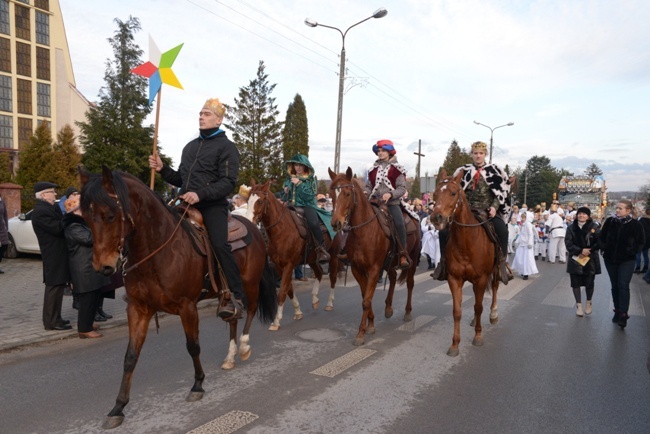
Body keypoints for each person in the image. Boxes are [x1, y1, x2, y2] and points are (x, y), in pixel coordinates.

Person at [149, 97, 244, 320]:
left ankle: (235, 295)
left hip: (212, 206)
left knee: (220, 245)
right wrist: (163, 169)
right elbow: (181, 178)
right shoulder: (189, 147)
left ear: (219, 120)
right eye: (200, 113)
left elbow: (228, 182)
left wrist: (200, 194)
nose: (201, 117)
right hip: (185, 203)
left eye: (207, 114)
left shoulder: (228, 148)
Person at [452, 141, 512, 280]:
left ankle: (501, 264)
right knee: (444, 231)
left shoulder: (495, 170)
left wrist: (494, 207)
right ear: (471, 154)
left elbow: (501, 193)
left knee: (502, 230)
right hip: (466, 210)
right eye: (475, 153)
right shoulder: (463, 171)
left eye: (481, 153)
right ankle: (443, 263)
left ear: (485, 154)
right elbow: (454, 191)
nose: (478, 156)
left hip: (487, 210)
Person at [62, 196, 110, 338]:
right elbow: (90, 240)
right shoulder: (73, 226)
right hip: (83, 268)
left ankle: (88, 323)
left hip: (90, 265)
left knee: (94, 296)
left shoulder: (82, 223)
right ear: (75, 211)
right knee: (87, 299)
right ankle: (84, 329)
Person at [364, 139, 412, 269]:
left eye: (383, 150)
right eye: (378, 151)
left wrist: (390, 194)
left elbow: (402, 189)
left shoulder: (398, 169)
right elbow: (369, 187)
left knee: (399, 224)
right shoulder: (372, 169)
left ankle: (402, 254)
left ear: (389, 152)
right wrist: (365, 193)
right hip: (373, 202)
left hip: (392, 203)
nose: (380, 153)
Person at [32, 182, 72, 331]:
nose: (55, 194)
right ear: (43, 195)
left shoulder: (51, 207)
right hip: (53, 254)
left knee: (59, 286)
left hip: (59, 252)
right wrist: (70, 213)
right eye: (52, 192)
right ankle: (50, 322)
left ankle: (57, 318)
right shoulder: (41, 211)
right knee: (53, 287)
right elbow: (58, 228)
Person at [599, 200, 645, 328]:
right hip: (610, 259)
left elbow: (641, 241)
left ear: (628, 210)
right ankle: (617, 310)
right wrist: (604, 247)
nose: (617, 210)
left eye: (620, 208)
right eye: (617, 208)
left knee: (623, 284)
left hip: (627, 260)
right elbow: (601, 236)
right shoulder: (610, 222)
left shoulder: (636, 224)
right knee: (615, 285)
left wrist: (631, 251)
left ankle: (623, 314)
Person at [281, 154, 331, 262]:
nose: (298, 167)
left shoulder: (310, 180)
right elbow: (283, 196)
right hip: (291, 206)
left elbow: (310, 195)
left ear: (305, 166)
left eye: (300, 165)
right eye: (295, 165)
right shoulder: (289, 179)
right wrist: (284, 191)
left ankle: (321, 249)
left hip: (307, 205)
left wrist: (299, 183)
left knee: (313, 223)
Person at [564, 206, 601, 317]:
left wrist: (589, 250)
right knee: (575, 283)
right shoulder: (571, 228)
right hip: (576, 258)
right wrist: (580, 250)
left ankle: (588, 302)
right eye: (580, 213)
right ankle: (578, 305)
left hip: (590, 259)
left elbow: (599, 242)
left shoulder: (594, 227)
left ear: (588, 216)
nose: (581, 215)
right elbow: (568, 243)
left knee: (589, 283)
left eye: (584, 214)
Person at [511, 212, 538, 280]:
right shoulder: (523, 225)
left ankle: (526, 273)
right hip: (522, 244)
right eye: (522, 217)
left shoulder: (528, 224)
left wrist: (530, 243)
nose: (522, 219)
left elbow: (530, 234)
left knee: (526, 259)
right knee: (519, 257)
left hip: (527, 245)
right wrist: (517, 241)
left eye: (524, 218)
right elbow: (521, 234)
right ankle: (522, 271)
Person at [634, 207, 650, 274]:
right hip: (648, 240)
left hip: (640, 240)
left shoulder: (640, 220)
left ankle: (637, 268)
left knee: (638, 255)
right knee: (645, 255)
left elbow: (636, 229)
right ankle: (646, 268)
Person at [0, 194, 8, 273]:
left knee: (4, 246)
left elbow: (5, 215)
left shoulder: (2, 202)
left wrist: (6, 227)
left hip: (2, 228)